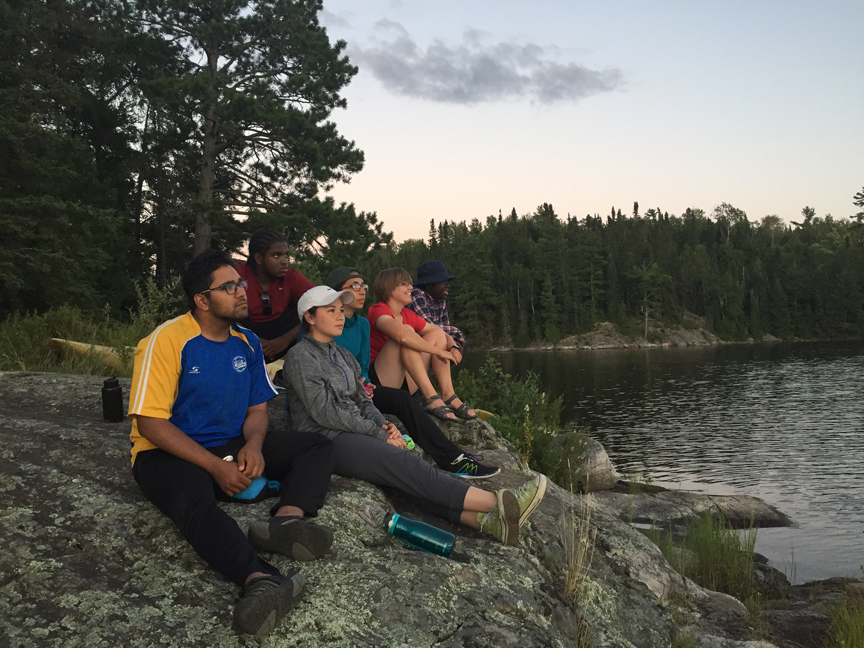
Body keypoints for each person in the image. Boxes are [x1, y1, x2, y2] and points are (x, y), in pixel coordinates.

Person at [128, 250, 335, 637]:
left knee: (316, 446)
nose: (242, 292)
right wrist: (214, 467)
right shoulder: (168, 340)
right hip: (167, 451)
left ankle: (285, 522)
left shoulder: (247, 342)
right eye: (229, 287)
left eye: (239, 283)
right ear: (202, 300)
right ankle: (261, 580)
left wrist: (253, 446)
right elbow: (150, 422)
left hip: (229, 442)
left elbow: (258, 409)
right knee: (194, 503)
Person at [284, 286, 547, 546]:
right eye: (331, 311)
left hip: (355, 431)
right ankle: (501, 503)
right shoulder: (300, 357)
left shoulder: (342, 355)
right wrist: (377, 433)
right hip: (327, 438)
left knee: (406, 475)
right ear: (309, 317)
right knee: (403, 464)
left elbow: (363, 401)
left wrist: (385, 426)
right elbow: (325, 413)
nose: (340, 316)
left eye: (341, 310)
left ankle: (482, 521)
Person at [323, 266, 499, 479]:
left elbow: (361, 366)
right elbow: (320, 365)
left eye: (364, 286)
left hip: (370, 387)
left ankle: (453, 443)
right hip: (355, 389)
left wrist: (452, 346)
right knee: (404, 342)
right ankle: (436, 411)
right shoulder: (368, 313)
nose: (362, 291)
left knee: (427, 340)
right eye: (355, 286)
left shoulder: (360, 324)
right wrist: (440, 352)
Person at [367, 268, 477, 421]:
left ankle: (448, 395)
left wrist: (453, 346)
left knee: (436, 334)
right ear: (389, 287)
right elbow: (402, 337)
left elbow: (439, 332)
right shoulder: (378, 311)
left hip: (405, 382)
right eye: (405, 284)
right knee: (406, 333)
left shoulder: (407, 314)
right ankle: (431, 398)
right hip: (380, 384)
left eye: (410, 284)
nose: (411, 288)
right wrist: (439, 352)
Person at [236, 229, 315, 363]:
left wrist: (283, 340)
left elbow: (323, 301)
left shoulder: (291, 277)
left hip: (279, 335)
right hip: (242, 334)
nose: (284, 261)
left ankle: (302, 368)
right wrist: (249, 338)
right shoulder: (238, 274)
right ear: (259, 258)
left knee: (315, 309)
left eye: (285, 255)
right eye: (276, 256)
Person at [407, 260, 467, 353]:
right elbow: (429, 325)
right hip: (414, 348)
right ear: (428, 285)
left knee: (459, 348)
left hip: (432, 345)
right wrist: (457, 332)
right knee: (440, 337)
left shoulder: (440, 301)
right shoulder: (417, 294)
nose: (448, 285)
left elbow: (446, 329)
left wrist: (454, 345)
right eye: (443, 281)